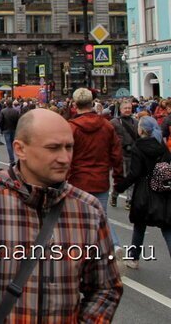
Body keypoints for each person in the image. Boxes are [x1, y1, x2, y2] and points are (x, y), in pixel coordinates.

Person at [0, 109, 123, 322]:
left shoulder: (88, 210)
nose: (64, 158)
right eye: (53, 148)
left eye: (69, 147)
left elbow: (106, 288)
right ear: (20, 149)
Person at [68, 88, 125, 255]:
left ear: (74, 104)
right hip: (100, 179)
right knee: (101, 215)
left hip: (77, 180)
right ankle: (113, 245)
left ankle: (82, 254)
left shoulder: (72, 128)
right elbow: (117, 155)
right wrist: (118, 179)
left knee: (77, 219)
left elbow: (66, 156)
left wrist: (63, 178)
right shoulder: (107, 126)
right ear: (92, 103)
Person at [114, 116, 171, 269]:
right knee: (166, 226)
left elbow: (134, 173)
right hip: (162, 189)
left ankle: (133, 258)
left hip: (144, 191)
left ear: (142, 130)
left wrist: (119, 187)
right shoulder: (162, 145)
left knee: (139, 225)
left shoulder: (138, 147)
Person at [110, 100, 138, 210]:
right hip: (120, 155)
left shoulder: (135, 122)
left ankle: (129, 200)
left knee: (131, 177)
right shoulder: (114, 122)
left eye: (129, 108)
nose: (127, 110)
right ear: (120, 109)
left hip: (133, 154)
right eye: (125, 108)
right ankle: (114, 195)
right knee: (121, 178)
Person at [0, 100, 20, 164]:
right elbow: (18, 120)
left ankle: (11, 159)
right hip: (13, 128)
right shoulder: (16, 111)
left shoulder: (3, 111)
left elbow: (1, 121)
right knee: (13, 144)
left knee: (8, 144)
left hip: (6, 129)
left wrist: (1, 130)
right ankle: (14, 157)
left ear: (6, 104)